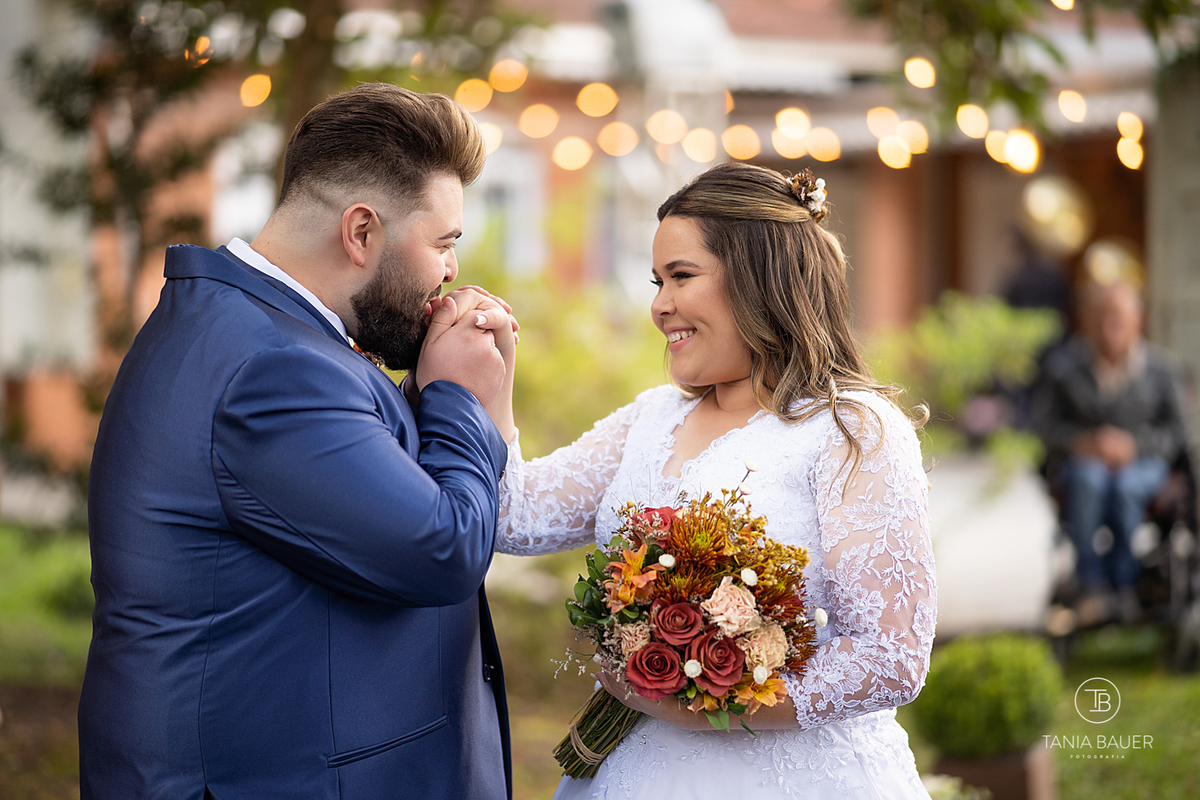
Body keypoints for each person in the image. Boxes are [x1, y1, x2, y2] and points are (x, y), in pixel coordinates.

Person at [82, 84, 518, 800]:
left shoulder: (251, 328)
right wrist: (456, 399)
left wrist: (427, 402)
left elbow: (340, 494)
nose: (451, 271)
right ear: (361, 232)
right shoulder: (273, 368)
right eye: (442, 243)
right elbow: (441, 551)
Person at [490, 163, 935, 799]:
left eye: (681, 276)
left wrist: (699, 700)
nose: (659, 305)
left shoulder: (851, 431)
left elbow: (891, 656)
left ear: (759, 279)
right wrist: (492, 380)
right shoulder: (650, 417)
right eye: (657, 281)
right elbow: (516, 516)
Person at [1034, 278, 1188, 625]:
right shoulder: (1064, 370)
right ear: (1086, 322)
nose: (1109, 328)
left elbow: (1178, 432)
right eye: (1101, 317)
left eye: (1117, 317)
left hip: (1143, 466)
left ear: (1138, 321)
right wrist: (1082, 442)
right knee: (1089, 480)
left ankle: (1125, 583)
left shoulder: (1162, 372)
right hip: (1085, 466)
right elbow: (1045, 428)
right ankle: (1092, 584)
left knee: (1126, 486)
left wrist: (1134, 446)